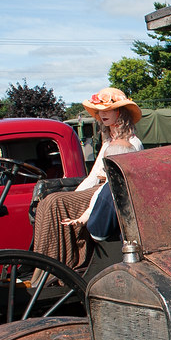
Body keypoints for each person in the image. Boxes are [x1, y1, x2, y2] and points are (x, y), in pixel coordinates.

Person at [31, 88, 143, 272]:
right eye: (100, 111)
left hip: (109, 193)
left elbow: (117, 184)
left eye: (108, 110)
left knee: (54, 202)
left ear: (120, 113)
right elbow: (93, 177)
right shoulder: (108, 142)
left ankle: (59, 266)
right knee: (50, 200)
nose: (102, 114)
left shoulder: (132, 143)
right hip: (97, 189)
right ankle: (45, 263)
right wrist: (75, 195)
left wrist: (75, 199)